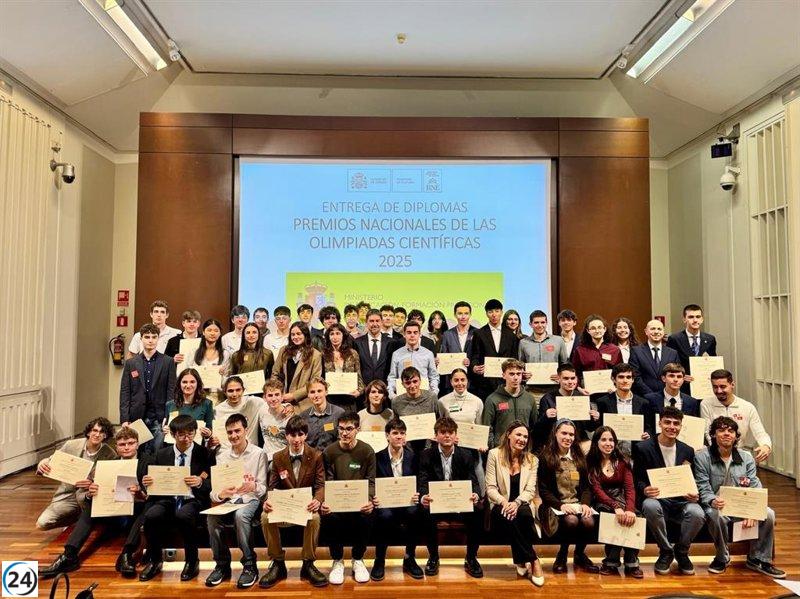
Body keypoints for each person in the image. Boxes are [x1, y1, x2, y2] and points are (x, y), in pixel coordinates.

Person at [39, 427, 149, 580]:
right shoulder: (107, 464)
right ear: (116, 447)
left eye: (131, 443)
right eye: (122, 444)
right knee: (90, 506)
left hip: (136, 509)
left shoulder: (149, 461)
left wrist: (140, 494)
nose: (127, 447)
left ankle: (127, 554)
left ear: (137, 444)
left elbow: (154, 496)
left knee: (147, 509)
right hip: (112, 510)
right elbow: (94, 491)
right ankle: (69, 555)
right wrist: (92, 493)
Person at [694, 416, 785, 578]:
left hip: (740, 506)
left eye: (731, 431)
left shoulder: (746, 457)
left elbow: (754, 486)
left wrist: (753, 511)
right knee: (717, 516)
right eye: (721, 430)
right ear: (713, 435)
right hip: (716, 505)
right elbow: (703, 487)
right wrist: (713, 500)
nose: (726, 434)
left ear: (736, 436)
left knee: (769, 513)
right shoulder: (702, 457)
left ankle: (759, 559)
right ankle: (722, 557)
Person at [138, 415, 213, 582]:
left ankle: (192, 561)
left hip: (194, 499)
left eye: (190, 433)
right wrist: (147, 483)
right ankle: (155, 560)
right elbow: (153, 483)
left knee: (184, 515)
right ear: (172, 435)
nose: (186, 438)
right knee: (151, 515)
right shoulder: (162, 454)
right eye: (181, 435)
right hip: (168, 499)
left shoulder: (205, 454)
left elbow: (212, 482)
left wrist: (201, 482)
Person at [632, 407, 705, 576]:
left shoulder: (687, 450)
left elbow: (691, 479)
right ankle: (665, 551)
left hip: (681, 500)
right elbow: (637, 479)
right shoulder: (643, 448)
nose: (672, 427)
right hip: (657, 498)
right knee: (649, 506)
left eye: (676, 424)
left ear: (681, 426)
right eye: (667, 422)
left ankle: (681, 551)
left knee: (697, 513)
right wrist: (645, 489)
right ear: (660, 423)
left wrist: (693, 493)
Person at [259, 415, 328, 588]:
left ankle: (308, 563)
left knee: (315, 518)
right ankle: (277, 563)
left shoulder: (317, 455)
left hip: (305, 505)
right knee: (265, 517)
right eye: (292, 435)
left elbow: (321, 485)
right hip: (285, 505)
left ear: (305, 435)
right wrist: (267, 501)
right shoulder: (278, 457)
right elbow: (272, 486)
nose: (296, 439)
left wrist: (317, 500)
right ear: (286, 436)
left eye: (300, 434)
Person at [205, 413, 267, 588]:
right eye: (230, 432)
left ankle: (249, 565)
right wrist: (221, 494)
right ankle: (222, 565)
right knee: (211, 517)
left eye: (237, 431)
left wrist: (253, 486)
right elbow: (213, 494)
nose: (234, 436)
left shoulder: (259, 453)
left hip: (250, 500)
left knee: (241, 516)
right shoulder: (222, 456)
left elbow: (264, 490)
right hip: (229, 501)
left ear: (246, 430)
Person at [419, 417, 483, 578]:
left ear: (456, 435)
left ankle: (471, 558)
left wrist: (475, 493)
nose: (447, 436)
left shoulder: (466, 455)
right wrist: (424, 496)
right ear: (436, 436)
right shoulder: (426, 455)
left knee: (478, 510)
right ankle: (433, 557)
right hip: (437, 503)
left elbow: (473, 480)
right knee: (424, 512)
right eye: (443, 432)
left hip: (459, 503)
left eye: (450, 432)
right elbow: (423, 480)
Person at [485, 421, 544, 586]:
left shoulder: (533, 460)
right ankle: (533, 559)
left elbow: (530, 491)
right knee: (508, 517)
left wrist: (516, 503)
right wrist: (504, 502)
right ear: (509, 435)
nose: (522, 439)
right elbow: (490, 488)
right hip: (499, 504)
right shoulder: (494, 455)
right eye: (518, 434)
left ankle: (520, 560)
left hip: (521, 503)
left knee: (524, 515)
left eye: (525, 436)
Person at [537, 419, 599, 574]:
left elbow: (586, 487)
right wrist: (561, 505)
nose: (568, 437)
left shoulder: (579, 456)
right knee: (571, 520)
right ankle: (562, 555)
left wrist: (585, 504)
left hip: (577, 503)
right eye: (564, 433)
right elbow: (544, 491)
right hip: (554, 506)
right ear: (555, 433)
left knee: (588, 520)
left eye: (571, 434)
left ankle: (579, 554)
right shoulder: (545, 457)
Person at [321, 411, 376, 584]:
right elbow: (326, 481)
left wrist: (368, 499)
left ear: (358, 429)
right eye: (341, 429)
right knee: (329, 515)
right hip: (337, 503)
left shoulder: (367, 451)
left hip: (359, 502)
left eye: (349, 429)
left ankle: (357, 559)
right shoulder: (329, 452)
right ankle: (337, 560)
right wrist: (325, 502)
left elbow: (372, 481)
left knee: (368, 514)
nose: (345, 433)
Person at [35, 417, 116, 531]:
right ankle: (74, 519)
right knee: (42, 523)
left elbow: (108, 480)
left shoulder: (110, 454)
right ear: (88, 432)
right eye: (95, 430)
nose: (97, 435)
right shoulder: (71, 445)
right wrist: (42, 463)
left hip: (89, 496)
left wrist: (92, 483)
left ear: (106, 435)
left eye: (102, 432)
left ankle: (86, 521)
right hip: (68, 494)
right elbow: (51, 460)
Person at [371, 418, 425, 581]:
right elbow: (372, 482)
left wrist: (418, 494)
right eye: (395, 433)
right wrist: (374, 497)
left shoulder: (413, 456)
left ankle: (409, 558)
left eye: (402, 433)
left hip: (407, 501)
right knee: (384, 516)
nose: (399, 437)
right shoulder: (377, 457)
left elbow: (419, 480)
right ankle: (379, 560)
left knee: (415, 512)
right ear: (387, 436)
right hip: (385, 502)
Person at [586, 426, 643, 578]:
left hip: (623, 498)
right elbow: (597, 491)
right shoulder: (591, 463)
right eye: (604, 439)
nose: (608, 443)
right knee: (611, 516)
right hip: (603, 502)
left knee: (635, 515)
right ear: (596, 442)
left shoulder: (623, 462)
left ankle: (632, 562)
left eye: (611, 440)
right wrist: (616, 507)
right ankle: (611, 562)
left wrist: (629, 509)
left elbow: (630, 489)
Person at [120, 324, 177, 452]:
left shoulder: (168, 362)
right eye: (147, 337)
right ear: (141, 339)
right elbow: (125, 392)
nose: (150, 340)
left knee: (158, 452)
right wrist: (124, 418)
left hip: (159, 416)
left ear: (158, 339)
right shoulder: (131, 363)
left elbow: (171, 392)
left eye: (154, 337)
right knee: (138, 452)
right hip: (136, 415)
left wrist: (169, 417)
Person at [701, 369, 772, 463]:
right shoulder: (706, 404)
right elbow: (708, 432)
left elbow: (760, 433)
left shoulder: (747, 407)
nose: (719, 391)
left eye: (723, 387)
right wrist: (722, 451)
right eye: (715, 387)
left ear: (732, 385)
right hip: (715, 453)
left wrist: (766, 446)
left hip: (739, 452)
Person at [533, 363, 598, 453]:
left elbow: (590, 428)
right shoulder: (547, 398)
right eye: (566, 378)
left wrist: (595, 418)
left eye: (573, 378)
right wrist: (546, 417)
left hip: (579, 441)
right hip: (556, 443)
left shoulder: (582, 398)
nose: (570, 382)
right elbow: (539, 430)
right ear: (558, 379)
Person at [596, 363, 653, 458]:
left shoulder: (643, 403)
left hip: (635, 453)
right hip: (609, 453)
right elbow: (599, 428)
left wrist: (647, 434)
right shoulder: (603, 402)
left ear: (633, 380)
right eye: (621, 377)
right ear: (613, 379)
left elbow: (649, 427)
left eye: (628, 377)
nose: (625, 380)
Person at [390, 366, 448, 459]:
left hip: (430, 447)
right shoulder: (396, 402)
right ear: (402, 384)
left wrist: (437, 436)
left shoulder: (431, 397)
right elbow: (397, 425)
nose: (412, 386)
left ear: (420, 381)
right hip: (407, 449)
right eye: (408, 383)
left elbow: (439, 420)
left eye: (415, 381)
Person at [469, 299, 520, 399]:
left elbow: (514, 357)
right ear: (486, 314)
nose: (494, 314)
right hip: (484, 384)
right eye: (490, 311)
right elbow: (475, 355)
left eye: (497, 311)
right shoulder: (479, 333)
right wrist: (474, 367)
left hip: (506, 383)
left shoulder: (511, 335)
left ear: (501, 312)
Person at [483, 359, 536, 448]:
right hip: (500, 450)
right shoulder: (492, 399)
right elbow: (487, 428)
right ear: (504, 375)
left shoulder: (529, 399)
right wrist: (493, 448)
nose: (515, 377)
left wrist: (530, 447)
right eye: (511, 374)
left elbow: (534, 427)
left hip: (523, 450)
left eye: (518, 374)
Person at [272, 321, 323, 411]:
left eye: (299, 334)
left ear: (306, 335)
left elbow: (315, 381)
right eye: (293, 334)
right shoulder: (283, 351)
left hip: (304, 403)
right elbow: (275, 373)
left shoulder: (315, 354)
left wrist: (294, 395)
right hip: (282, 399)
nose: (295, 337)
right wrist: (277, 393)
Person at [667, 304, 717, 391]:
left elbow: (713, 361)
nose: (695, 320)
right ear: (684, 319)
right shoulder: (674, 339)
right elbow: (670, 364)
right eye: (691, 317)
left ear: (702, 319)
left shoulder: (710, 339)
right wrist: (681, 375)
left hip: (704, 387)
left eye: (698, 317)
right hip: (683, 387)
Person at [518, 309, 566, 401]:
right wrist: (523, 374)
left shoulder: (558, 340)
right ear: (530, 324)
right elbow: (521, 365)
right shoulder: (523, 343)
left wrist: (560, 375)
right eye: (536, 322)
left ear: (546, 323)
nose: (540, 325)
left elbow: (564, 363)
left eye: (542, 322)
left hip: (554, 390)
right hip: (532, 391)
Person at [388, 320, 439, 397]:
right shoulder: (396, 354)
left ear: (420, 334)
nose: (412, 335)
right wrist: (392, 395)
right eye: (409, 332)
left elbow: (434, 376)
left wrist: (434, 393)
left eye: (415, 332)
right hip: (403, 398)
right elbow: (392, 377)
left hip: (424, 397)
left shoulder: (428, 354)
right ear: (404, 334)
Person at [629, 319, 679, 396]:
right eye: (652, 329)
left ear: (663, 332)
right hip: (643, 397)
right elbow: (635, 377)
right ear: (646, 331)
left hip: (667, 397)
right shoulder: (636, 351)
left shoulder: (673, 353)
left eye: (659, 329)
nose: (656, 332)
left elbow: (676, 375)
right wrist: (652, 395)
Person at [210, 376, 263, 449]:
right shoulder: (217, 410)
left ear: (243, 390)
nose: (234, 394)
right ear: (225, 392)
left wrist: (284, 407)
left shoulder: (254, 403)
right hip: (227, 452)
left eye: (238, 390)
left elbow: (273, 403)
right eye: (230, 391)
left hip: (250, 452)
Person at [321, 322, 364, 412]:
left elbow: (359, 377)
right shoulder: (323, 354)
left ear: (343, 335)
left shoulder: (353, 353)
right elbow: (320, 377)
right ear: (328, 337)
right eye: (332, 334)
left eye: (338, 333)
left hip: (349, 399)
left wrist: (359, 391)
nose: (335, 337)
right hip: (330, 399)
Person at [164, 368, 214, 444]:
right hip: (174, 447)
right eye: (184, 382)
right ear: (179, 384)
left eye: (192, 382)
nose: (188, 385)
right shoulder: (170, 405)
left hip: (196, 448)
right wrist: (164, 430)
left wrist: (208, 434)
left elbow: (209, 429)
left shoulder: (207, 404)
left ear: (198, 383)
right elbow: (167, 428)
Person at [355, 309, 400, 391]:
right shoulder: (357, 343)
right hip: (363, 392)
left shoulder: (392, 343)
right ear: (366, 322)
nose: (374, 324)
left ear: (382, 322)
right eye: (371, 321)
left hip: (384, 391)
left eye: (377, 321)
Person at [571, 314, 622, 385]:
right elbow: (575, 373)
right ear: (588, 331)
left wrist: (616, 387)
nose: (597, 331)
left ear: (605, 329)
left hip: (610, 391)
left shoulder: (615, 350)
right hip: (588, 391)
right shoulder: (580, 350)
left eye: (599, 327)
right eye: (593, 328)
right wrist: (579, 388)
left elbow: (620, 372)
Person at [438, 301, 477, 394]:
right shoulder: (447, 334)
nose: (463, 317)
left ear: (470, 315)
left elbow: (479, 356)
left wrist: (471, 363)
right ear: (455, 315)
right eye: (460, 313)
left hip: (472, 382)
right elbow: (444, 355)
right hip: (452, 383)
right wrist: (439, 361)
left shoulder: (478, 333)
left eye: (466, 313)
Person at [187, 318, 230, 399]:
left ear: (220, 333)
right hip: (197, 395)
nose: (212, 333)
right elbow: (188, 374)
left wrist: (222, 375)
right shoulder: (194, 353)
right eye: (209, 330)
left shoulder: (225, 354)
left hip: (217, 396)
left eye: (216, 331)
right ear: (203, 332)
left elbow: (228, 379)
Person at [303, 377, 345, 451]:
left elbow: (342, 440)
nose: (316, 395)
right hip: (311, 458)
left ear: (326, 392)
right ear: (308, 395)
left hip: (333, 457)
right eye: (312, 392)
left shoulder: (339, 413)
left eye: (319, 391)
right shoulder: (303, 416)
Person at [258, 378, 290, 461]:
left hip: (283, 458)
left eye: (277, 394)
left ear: (282, 396)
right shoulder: (262, 409)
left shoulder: (289, 415)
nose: (273, 399)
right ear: (264, 397)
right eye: (270, 395)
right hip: (266, 457)